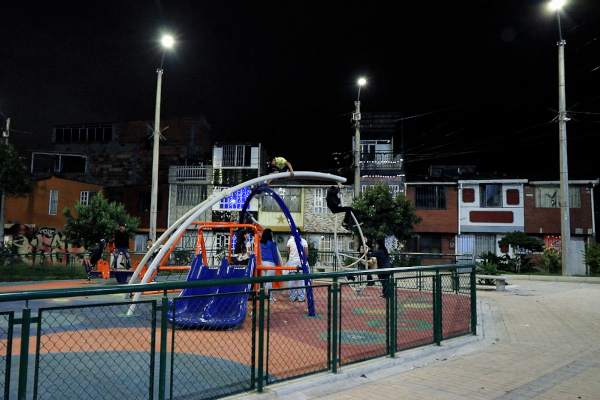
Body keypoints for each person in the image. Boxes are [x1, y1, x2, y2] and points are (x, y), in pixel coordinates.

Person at [286, 228, 309, 302]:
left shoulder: (290, 241)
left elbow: (288, 250)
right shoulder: (304, 241)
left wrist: (292, 256)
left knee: (291, 279)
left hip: (292, 260)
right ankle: (301, 297)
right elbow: (306, 253)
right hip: (301, 260)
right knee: (301, 280)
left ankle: (292, 297)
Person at [260, 228, 279, 301]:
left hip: (262, 263)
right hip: (270, 263)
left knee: (263, 281)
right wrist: (277, 265)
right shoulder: (272, 244)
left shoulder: (261, 243)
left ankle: (263, 296)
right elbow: (275, 255)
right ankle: (269, 297)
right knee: (269, 282)